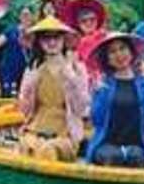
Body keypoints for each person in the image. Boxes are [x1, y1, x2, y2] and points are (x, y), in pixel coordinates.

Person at [17, 16, 90, 161]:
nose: (52, 42)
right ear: (39, 42)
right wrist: (29, 87)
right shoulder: (32, 70)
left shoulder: (77, 69)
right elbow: (25, 111)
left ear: (64, 40)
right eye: (46, 38)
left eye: (56, 37)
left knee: (48, 150)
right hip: (35, 130)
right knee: (29, 147)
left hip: (65, 133)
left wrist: (72, 79)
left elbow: (81, 109)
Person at [86, 33, 144, 167]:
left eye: (122, 48)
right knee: (112, 157)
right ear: (107, 59)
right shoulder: (103, 84)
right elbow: (96, 119)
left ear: (131, 52)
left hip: (136, 145)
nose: (119, 55)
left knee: (136, 157)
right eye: (112, 51)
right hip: (106, 144)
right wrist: (100, 93)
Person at [0, 6, 34, 97]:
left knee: (24, 97)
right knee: (7, 97)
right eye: (23, 14)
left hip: (26, 71)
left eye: (28, 14)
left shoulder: (35, 32)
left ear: (32, 16)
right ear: (19, 17)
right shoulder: (11, 30)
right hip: (8, 71)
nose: (26, 17)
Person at [68, 0, 110, 83]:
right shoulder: (76, 44)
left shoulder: (107, 37)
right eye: (84, 21)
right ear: (78, 24)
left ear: (97, 20)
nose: (88, 23)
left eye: (92, 19)